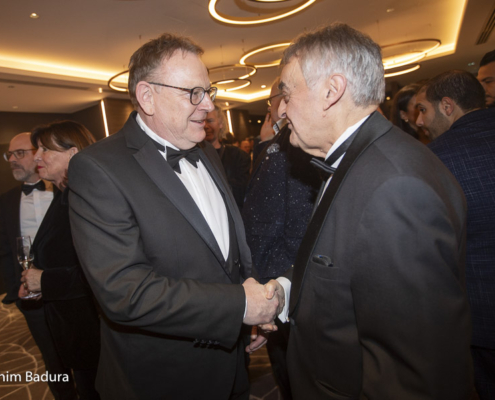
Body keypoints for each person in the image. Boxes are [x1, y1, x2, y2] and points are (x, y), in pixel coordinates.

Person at [67, 33, 282, 400]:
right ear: (147, 96)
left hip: (232, 363)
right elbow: (125, 292)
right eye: (193, 93)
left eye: (208, 91)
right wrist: (240, 305)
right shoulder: (97, 168)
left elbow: (226, 248)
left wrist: (247, 301)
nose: (209, 106)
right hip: (163, 379)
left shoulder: (206, 151)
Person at [267, 22, 474, 399]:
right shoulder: (366, 160)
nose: (281, 108)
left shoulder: (395, 187)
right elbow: (344, 265)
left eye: (287, 92)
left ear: (331, 91)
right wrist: (283, 291)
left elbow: (415, 374)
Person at [416, 70, 495, 400]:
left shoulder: (434, 159)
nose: (419, 121)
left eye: (424, 109)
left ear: (447, 106)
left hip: (483, 315)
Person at [242, 77, 321, 400]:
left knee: (296, 379)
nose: (275, 106)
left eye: (279, 96)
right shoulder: (290, 143)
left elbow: (279, 229)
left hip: (283, 287)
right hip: (290, 283)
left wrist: (268, 291)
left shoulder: (287, 149)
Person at [20, 121, 100, 399]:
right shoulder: (63, 196)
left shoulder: (86, 199)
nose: (37, 157)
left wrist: (43, 280)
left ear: (74, 153)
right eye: (37, 149)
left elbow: (101, 273)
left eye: (45, 149)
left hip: (94, 333)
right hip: (74, 330)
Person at [0, 132, 80, 399]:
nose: (13, 160)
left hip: (69, 293)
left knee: (84, 356)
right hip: (31, 299)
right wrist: (15, 292)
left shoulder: (64, 190)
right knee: (52, 361)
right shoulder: (6, 201)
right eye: (9, 155)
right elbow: (5, 251)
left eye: (20, 153)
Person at [204, 105, 251, 210]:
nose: (206, 126)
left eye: (210, 121)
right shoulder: (190, 155)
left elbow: (241, 193)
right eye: (202, 121)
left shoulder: (238, 156)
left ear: (220, 124)